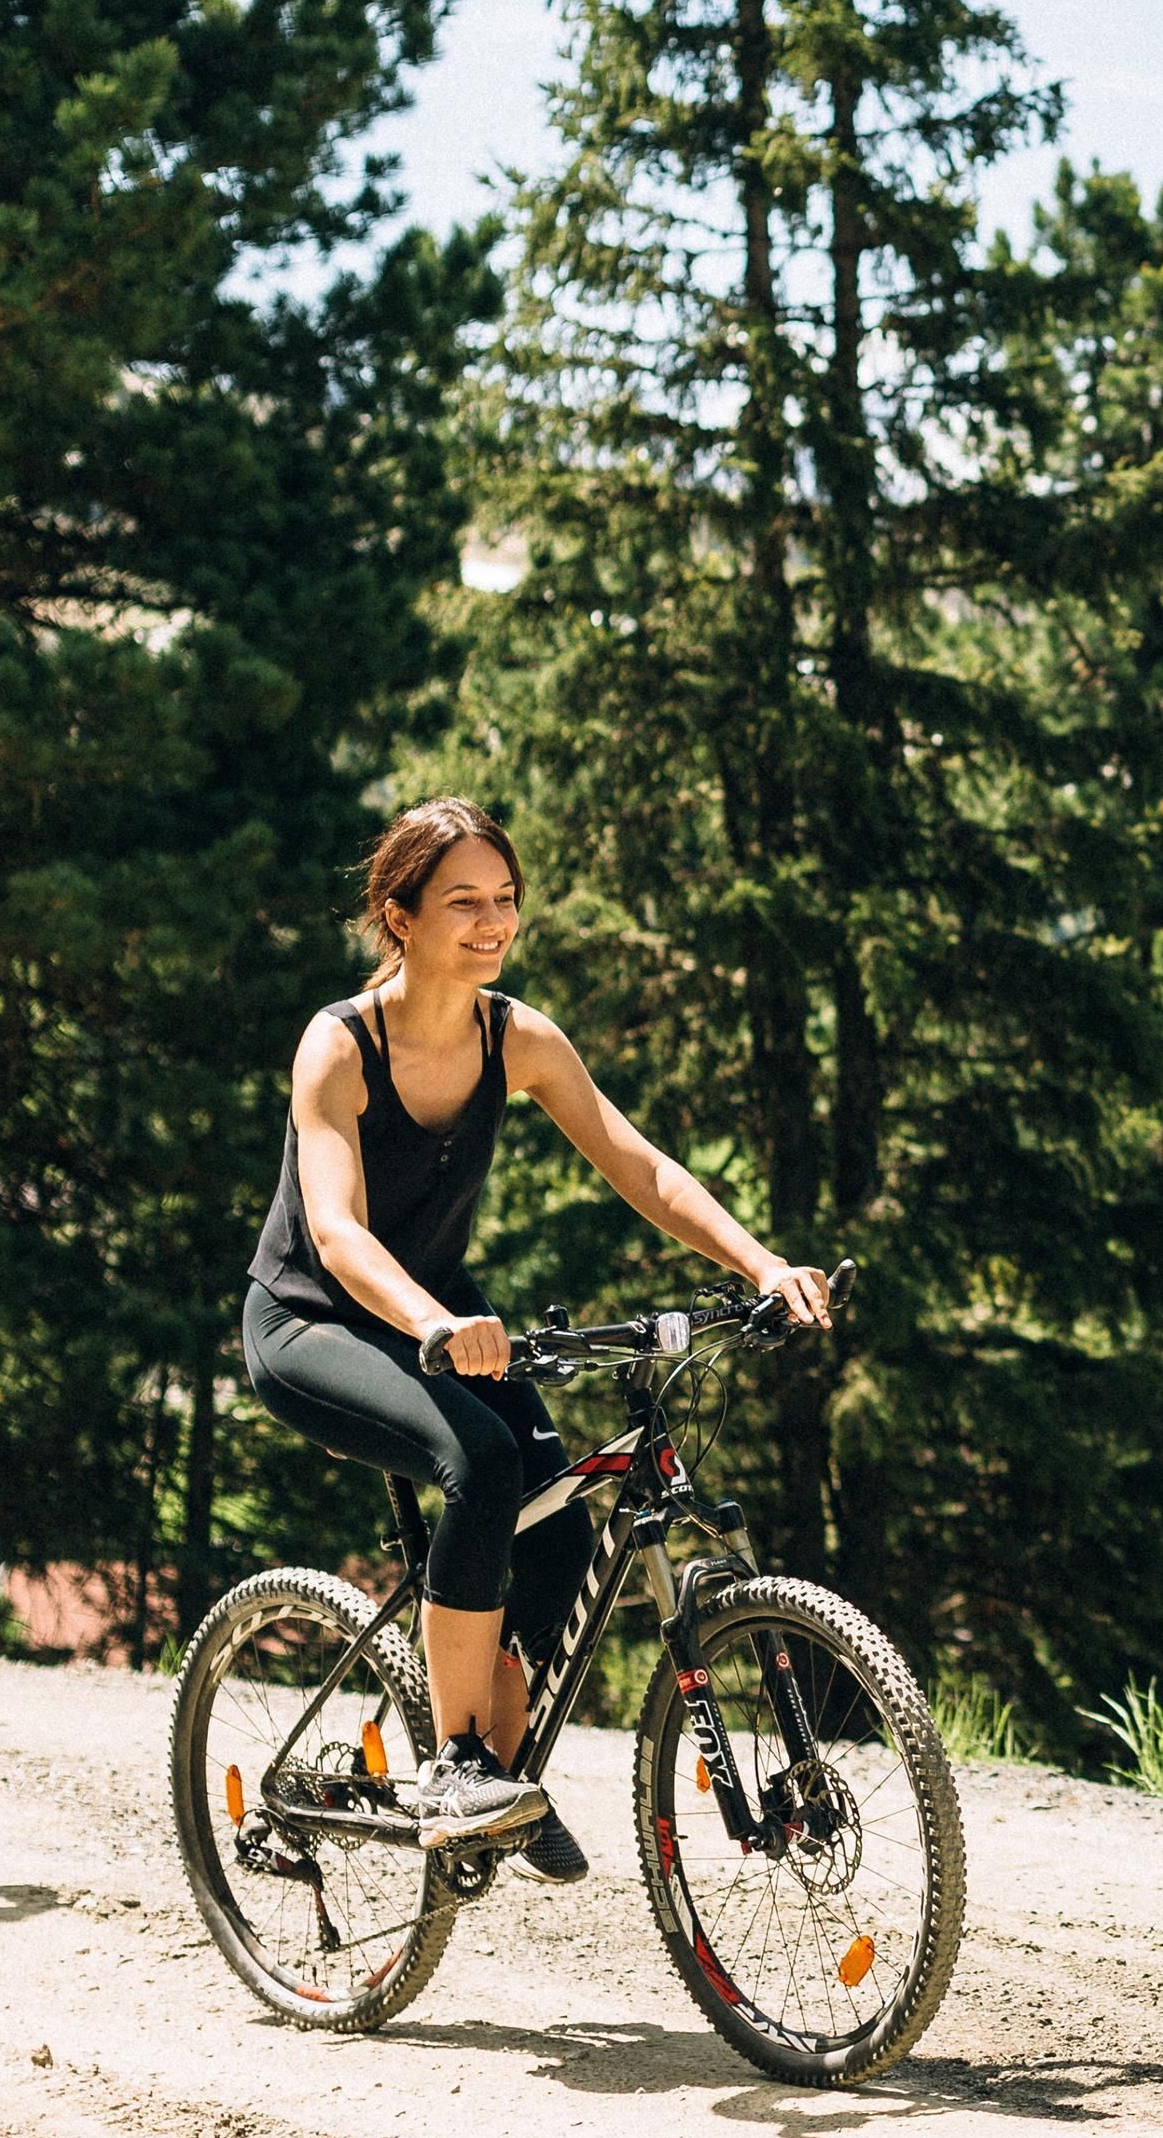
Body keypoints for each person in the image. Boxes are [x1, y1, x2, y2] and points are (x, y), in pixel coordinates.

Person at [242, 799, 828, 1869]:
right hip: (312, 1322)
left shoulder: (515, 1037)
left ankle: (495, 1776)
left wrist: (759, 1265)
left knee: (558, 1526)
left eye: (504, 900)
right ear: (399, 914)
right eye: (463, 901)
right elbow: (334, 1232)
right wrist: (433, 1321)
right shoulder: (338, 1046)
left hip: (441, 1321)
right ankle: (457, 1766)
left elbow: (639, 1165)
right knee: (482, 1458)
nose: (490, 921)